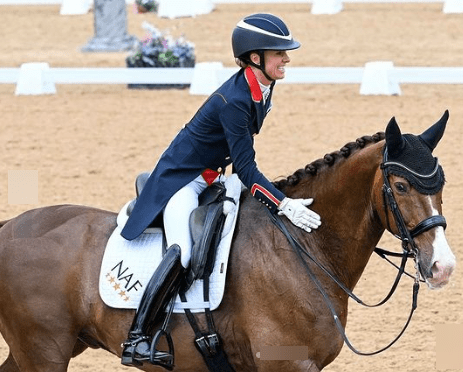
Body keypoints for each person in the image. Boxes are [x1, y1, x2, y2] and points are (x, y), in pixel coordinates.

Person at [119, 13, 322, 366]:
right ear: (255, 58)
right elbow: (247, 168)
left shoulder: (262, 87)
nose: (286, 59)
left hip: (214, 175)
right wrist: (284, 204)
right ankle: (138, 336)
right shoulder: (236, 101)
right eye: (279, 53)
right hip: (183, 179)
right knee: (182, 253)